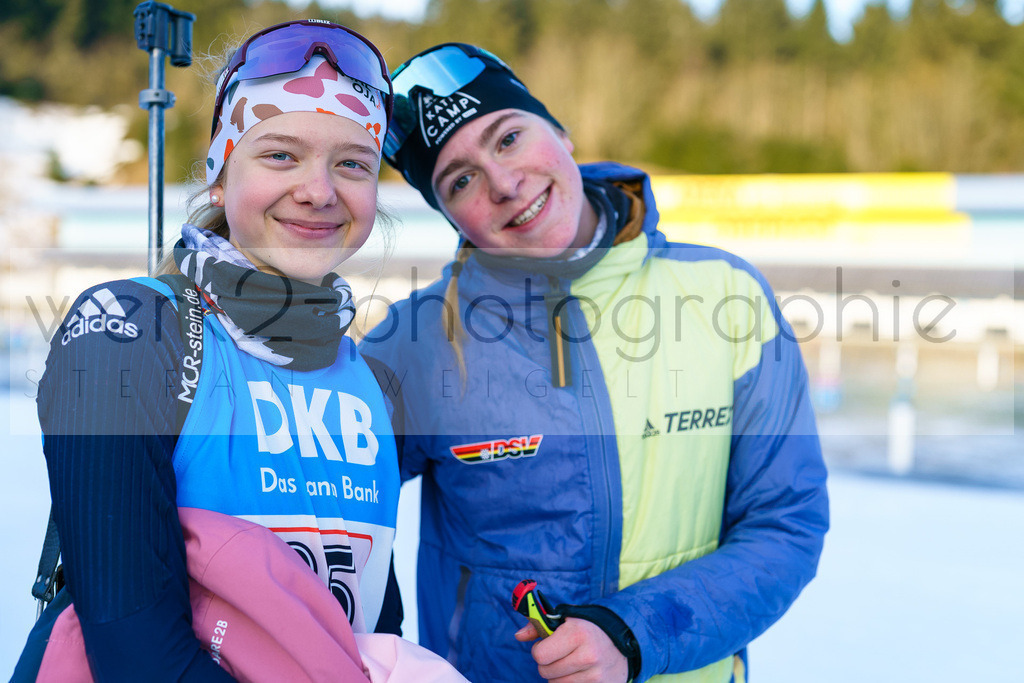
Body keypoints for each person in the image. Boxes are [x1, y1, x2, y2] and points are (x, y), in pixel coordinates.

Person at [359, 43, 830, 683]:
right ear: (447, 214)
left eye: (509, 137)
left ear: (561, 131)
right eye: (460, 180)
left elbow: (786, 524)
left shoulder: (727, 294)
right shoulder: (417, 342)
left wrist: (631, 633)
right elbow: (331, 515)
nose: (503, 183)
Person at [16, 20, 406, 681]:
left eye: (352, 164)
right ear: (221, 177)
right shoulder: (132, 330)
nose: (319, 190)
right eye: (280, 155)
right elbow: (134, 650)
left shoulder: (372, 384)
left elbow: (370, 633)